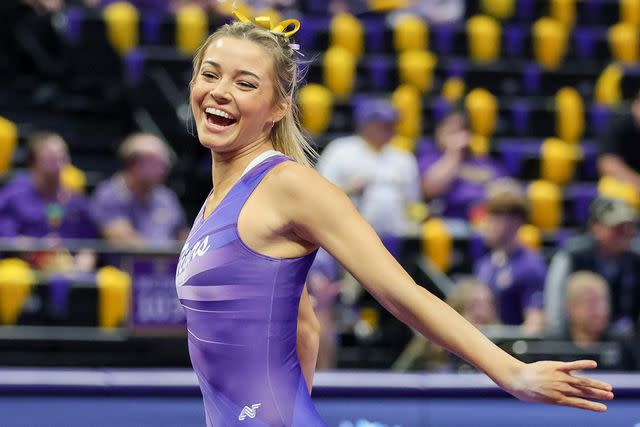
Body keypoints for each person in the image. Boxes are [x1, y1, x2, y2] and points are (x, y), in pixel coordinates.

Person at [176, 12, 613, 426]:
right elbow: (303, 326)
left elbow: (402, 293)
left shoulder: (289, 185)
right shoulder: (216, 199)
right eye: (210, 74)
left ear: (278, 108)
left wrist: (511, 373)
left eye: (245, 83)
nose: (220, 91)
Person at [316, 97, 421, 257]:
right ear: (366, 125)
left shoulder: (403, 157)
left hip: (395, 237)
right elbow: (319, 195)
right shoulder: (341, 150)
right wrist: (349, 189)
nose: (390, 129)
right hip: (349, 236)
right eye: (383, 124)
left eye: (392, 124)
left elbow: (413, 203)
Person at [0, 131, 97, 271]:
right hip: (24, 273)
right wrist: (37, 247)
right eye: (51, 157)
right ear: (33, 162)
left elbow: (89, 245)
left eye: (62, 156)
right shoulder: (13, 197)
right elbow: (8, 238)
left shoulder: (77, 202)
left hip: (69, 275)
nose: (58, 162)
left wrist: (80, 268)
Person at [545, 197, 640, 336]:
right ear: (595, 227)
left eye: (627, 226)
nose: (624, 232)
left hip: (624, 343)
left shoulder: (635, 260)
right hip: (575, 340)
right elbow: (555, 312)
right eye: (616, 227)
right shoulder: (571, 256)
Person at [474, 178, 547, 334]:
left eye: (495, 216)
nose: (487, 223)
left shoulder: (530, 266)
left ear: (515, 221)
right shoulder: (485, 264)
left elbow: (534, 326)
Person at [90, 132, 188, 245]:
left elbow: (182, 234)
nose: (164, 168)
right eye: (157, 162)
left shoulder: (166, 197)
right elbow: (125, 241)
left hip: (170, 261)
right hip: (127, 262)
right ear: (133, 164)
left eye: (165, 162)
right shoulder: (109, 194)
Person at [419, 110, 506, 219]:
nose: (459, 137)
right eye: (452, 132)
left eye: (462, 131)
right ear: (439, 134)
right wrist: (454, 154)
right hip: (447, 220)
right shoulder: (429, 159)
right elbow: (430, 189)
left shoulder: (482, 161)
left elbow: (504, 190)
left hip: (484, 218)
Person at [598, 90, 640, 192]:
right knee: (610, 187)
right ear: (635, 106)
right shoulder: (620, 125)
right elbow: (607, 163)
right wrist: (637, 182)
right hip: (630, 187)